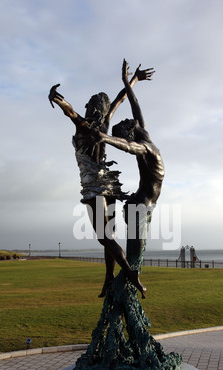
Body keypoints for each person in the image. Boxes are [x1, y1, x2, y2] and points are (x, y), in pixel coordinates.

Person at [49, 64, 154, 298]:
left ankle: (130, 272)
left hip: (94, 188)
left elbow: (70, 111)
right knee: (110, 235)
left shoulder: (84, 126)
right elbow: (119, 99)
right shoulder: (104, 125)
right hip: (109, 185)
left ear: (90, 108)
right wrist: (134, 79)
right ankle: (108, 276)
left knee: (104, 236)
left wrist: (57, 99)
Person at [96, 59, 165, 265]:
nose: (129, 119)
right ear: (130, 133)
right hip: (141, 207)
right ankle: (121, 293)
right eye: (126, 123)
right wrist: (106, 138)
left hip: (143, 204)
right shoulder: (145, 147)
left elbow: (135, 105)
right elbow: (128, 146)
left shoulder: (144, 135)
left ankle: (123, 288)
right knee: (133, 262)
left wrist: (130, 80)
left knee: (136, 260)